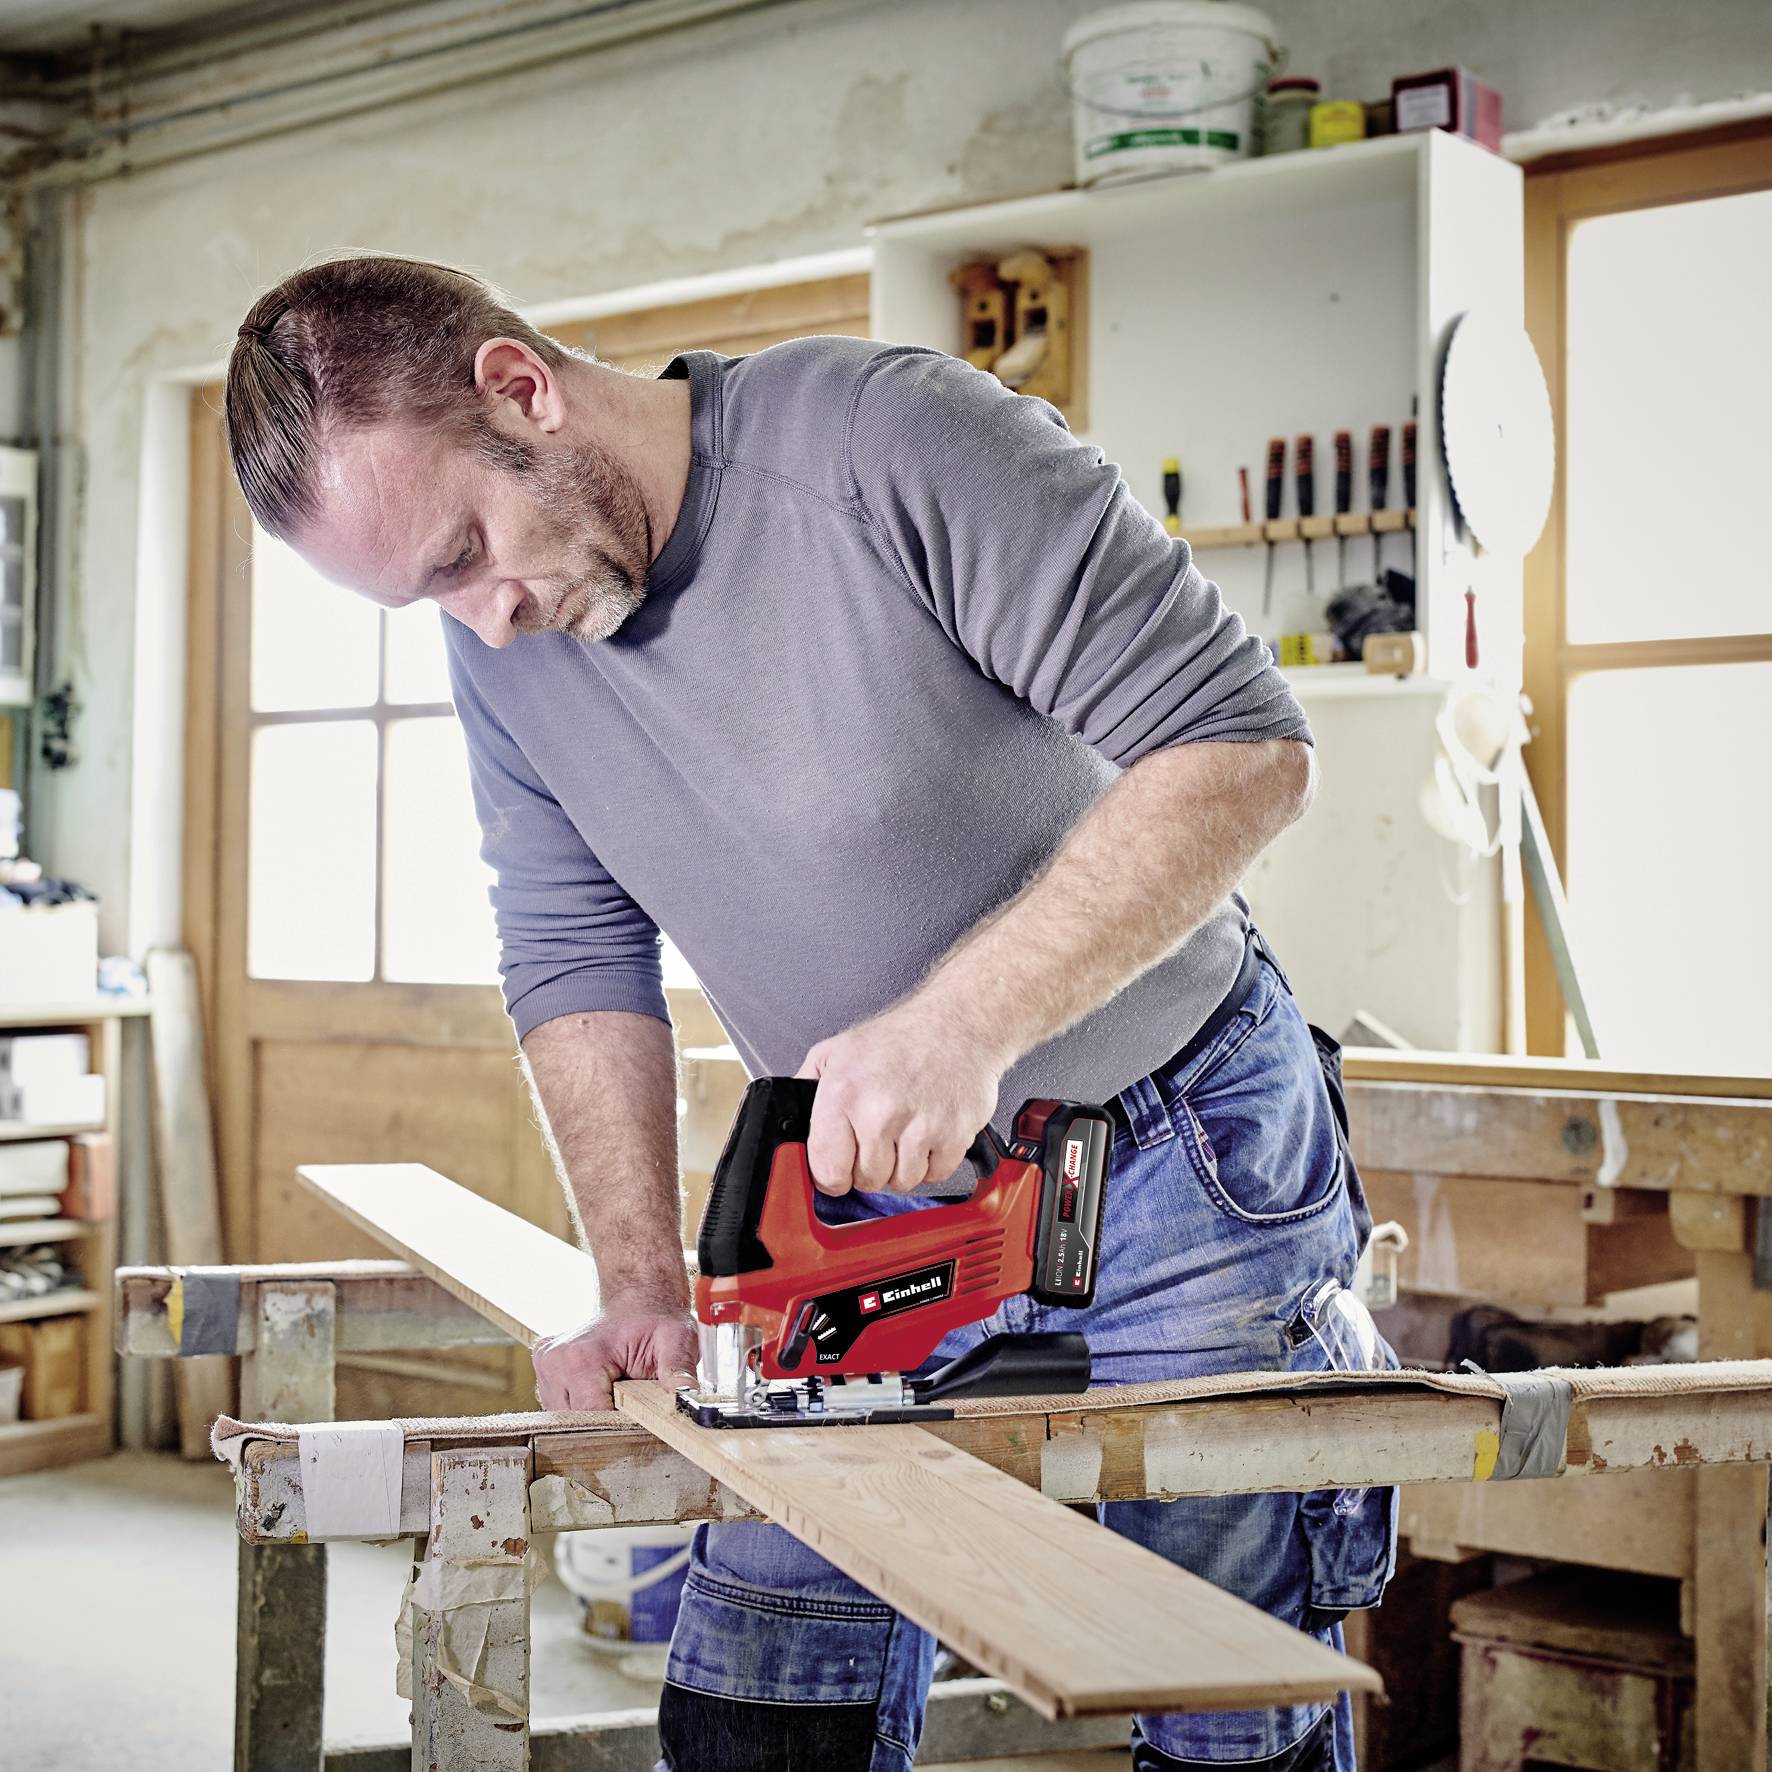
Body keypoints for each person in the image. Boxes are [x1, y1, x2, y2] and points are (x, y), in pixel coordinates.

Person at [224, 253, 1394, 1772]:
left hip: (1181, 1158)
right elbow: (574, 949)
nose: (485, 620)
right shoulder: (501, 639)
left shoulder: (887, 444)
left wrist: (960, 1026)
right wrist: (639, 1282)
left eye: (464, 552)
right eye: (430, 596)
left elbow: (1243, 747)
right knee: (762, 1707)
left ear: (521, 390)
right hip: (856, 1199)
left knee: (1223, 1707)